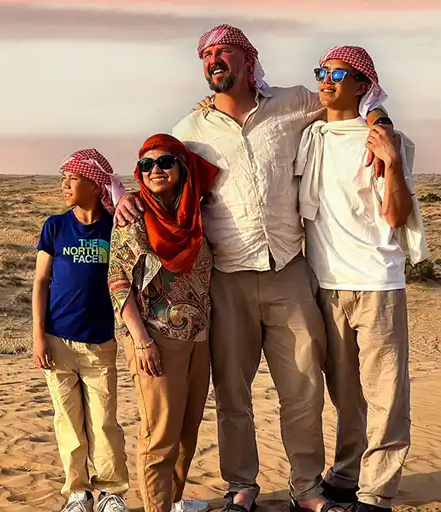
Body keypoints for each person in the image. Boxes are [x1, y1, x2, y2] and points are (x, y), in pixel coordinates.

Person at [113, 24, 396, 512]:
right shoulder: (191, 130)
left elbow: (350, 95)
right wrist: (129, 198)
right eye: (206, 55)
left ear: (248, 60)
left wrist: (382, 120)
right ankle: (240, 486)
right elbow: (157, 169)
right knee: (233, 394)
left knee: (304, 388)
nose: (213, 60)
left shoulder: (292, 103)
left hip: (289, 272)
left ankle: (306, 488)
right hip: (225, 279)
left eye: (224, 52)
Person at [295, 46, 427, 512]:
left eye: (337, 73)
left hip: (378, 283)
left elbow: (396, 213)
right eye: (321, 71)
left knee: (386, 394)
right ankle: (348, 472)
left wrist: (390, 159)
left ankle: (377, 493)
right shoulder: (310, 136)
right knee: (344, 393)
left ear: (362, 84)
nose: (325, 80)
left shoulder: (388, 141)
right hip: (325, 284)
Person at [108, 134, 219, 512]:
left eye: (165, 162)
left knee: (188, 430)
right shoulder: (134, 217)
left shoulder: (196, 214)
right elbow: (118, 279)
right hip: (155, 338)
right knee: (160, 433)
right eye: (146, 164)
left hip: (199, 337)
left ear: (182, 167)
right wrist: (141, 341)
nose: (155, 170)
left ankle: (170, 502)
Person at [32, 148, 132, 512]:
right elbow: (41, 281)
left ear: (93, 183)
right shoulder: (55, 227)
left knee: (104, 422)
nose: (64, 185)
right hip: (57, 342)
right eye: (64, 179)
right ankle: (77, 493)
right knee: (68, 423)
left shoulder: (113, 226)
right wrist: (38, 336)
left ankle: (111, 492)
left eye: (71, 179)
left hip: (100, 343)